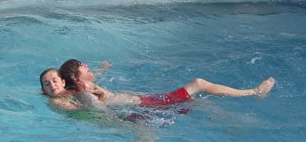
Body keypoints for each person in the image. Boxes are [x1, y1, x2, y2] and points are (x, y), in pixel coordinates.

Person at [51, 59, 275, 110]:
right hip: (150, 105)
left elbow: (90, 85)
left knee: (201, 103)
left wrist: (102, 70)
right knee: (198, 83)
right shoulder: (83, 90)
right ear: (77, 78)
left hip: (148, 101)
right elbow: (93, 105)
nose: (88, 66)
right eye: (84, 66)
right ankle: (253, 93)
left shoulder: (85, 85)